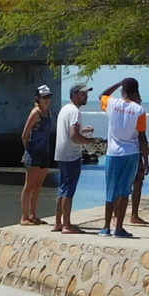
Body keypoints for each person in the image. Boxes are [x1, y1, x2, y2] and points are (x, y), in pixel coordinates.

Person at [98, 77, 146, 238]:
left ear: (123, 90)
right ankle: (118, 227)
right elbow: (141, 136)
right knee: (124, 191)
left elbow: (102, 95)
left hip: (113, 153)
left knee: (110, 191)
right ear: (136, 91)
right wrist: (146, 159)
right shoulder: (139, 110)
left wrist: (118, 82)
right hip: (131, 153)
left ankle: (106, 227)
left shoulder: (112, 104)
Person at [51, 82, 97, 233]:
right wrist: (88, 141)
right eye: (83, 93)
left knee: (63, 188)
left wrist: (84, 130)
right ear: (75, 95)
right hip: (71, 155)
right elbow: (73, 136)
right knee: (69, 190)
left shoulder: (65, 109)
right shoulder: (75, 112)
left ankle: (58, 223)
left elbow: (69, 130)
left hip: (60, 154)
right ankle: (67, 224)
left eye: (86, 93)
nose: (86, 96)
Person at [19, 84, 56, 225]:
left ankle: (33, 214)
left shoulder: (49, 113)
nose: (47, 100)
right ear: (38, 99)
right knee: (29, 185)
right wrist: (27, 150)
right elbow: (25, 134)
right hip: (33, 152)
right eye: (44, 97)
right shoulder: (35, 113)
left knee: (38, 185)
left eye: (49, 97)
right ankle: (24, 217)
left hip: (45, 152)